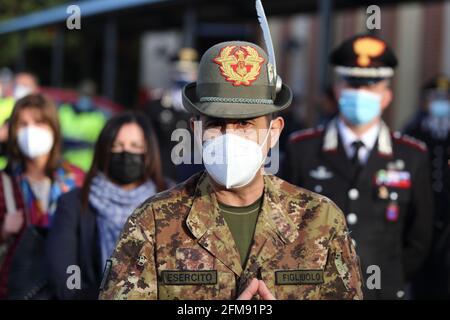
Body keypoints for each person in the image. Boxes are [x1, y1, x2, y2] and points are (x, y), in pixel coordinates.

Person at [99, 40, 363, 300]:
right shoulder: (154, 221)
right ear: (196, 130)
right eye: (217, 124)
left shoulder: (320, 219)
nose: (230, 137)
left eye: (245, 124)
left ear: (274, 132)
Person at [283, 34, 433, 299]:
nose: (361, 93)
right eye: (353, 84)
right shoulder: (303, 149)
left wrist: (390, 277)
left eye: (371, 86)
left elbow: (419, 238)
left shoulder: (412, 156)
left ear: (386, 96)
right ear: (338, 90)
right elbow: (283, 222)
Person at [47, 112, 169, 300]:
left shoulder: (172, 200)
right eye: (117, 146)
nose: (126, 153)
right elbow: (65, 282)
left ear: (149, 152)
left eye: (135, 146)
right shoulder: (73, 204)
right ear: (104, 150)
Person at [0, 93, 84, 299]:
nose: (31, 131)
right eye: (23, 124)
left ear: (54, 129)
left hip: (66, 288)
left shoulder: (77, 180)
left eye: (39, 123)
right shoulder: (4, 183)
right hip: (16, 289)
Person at [403, 75, 450, 299]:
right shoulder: (414, 130)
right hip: (423, 211)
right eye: (435, 98)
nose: (441, 103)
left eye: (445, 98)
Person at [145, 48, 203, 182]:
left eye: (188, 71)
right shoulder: (156, 104)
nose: (183, 75)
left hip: (195, 178)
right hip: (163, 177)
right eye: (180, 71)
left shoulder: (203, 107)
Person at [58, 79, 108, 171]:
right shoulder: (64, 111)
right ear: (77, 93)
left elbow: (102, 145)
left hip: (85, 168)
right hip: (62, 165)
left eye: (88, 94)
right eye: (83, 93)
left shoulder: (99, 118)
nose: (84, 97)